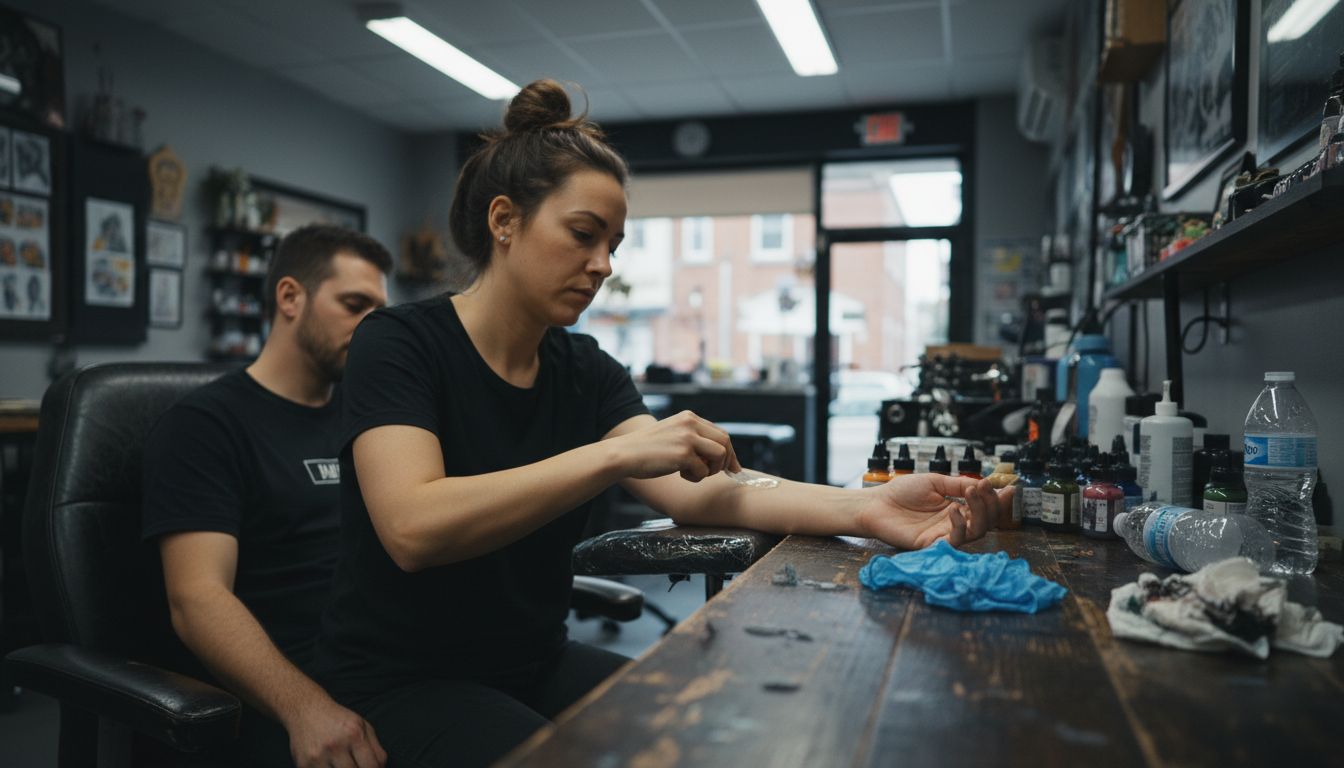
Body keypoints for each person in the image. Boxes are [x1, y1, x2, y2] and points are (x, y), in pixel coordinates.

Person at [313, 79, 1011, 767]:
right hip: (401, 685)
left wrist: (867, 509)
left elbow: (701, 490)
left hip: (531, 661)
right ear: (504, 221)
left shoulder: (583, 368)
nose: (602, 266)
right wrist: (612, 457)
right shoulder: (398, 343)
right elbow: (413, 527)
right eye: (584, 235)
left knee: (712, 738)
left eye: (613, 245)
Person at [142, 224, 392, 768]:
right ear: (289, 297)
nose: (372, 326)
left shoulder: (370, 420)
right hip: (292, 688)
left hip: (388, 661)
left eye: (380, 310)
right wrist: (304, 708)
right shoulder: (204, 426)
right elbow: (197, 599)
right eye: (355, 304)